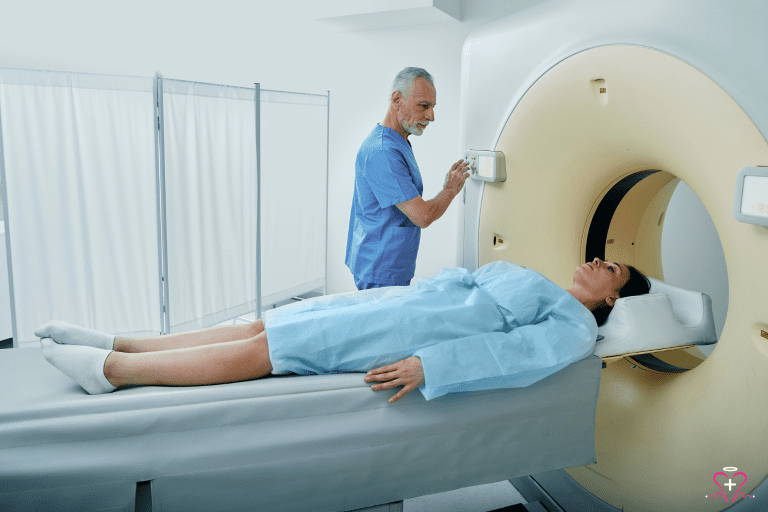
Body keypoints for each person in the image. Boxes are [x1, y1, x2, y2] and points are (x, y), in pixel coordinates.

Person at [37, 258, 649, 403]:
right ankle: (120, 340)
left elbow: (513, 354)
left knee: (268, 349)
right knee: (264, 321)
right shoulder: (540, 278)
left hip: (411, 333)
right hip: (396, 304)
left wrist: (432, 367)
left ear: (613, 297)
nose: (597, 261)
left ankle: (114, 373)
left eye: (611, 267)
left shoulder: (575, 329)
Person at [345, 67, 470, 290]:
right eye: (424, 106)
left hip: (391, 263)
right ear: (396, 99)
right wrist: (450, 189)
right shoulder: (383, 151)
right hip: (380, 267)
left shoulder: (397, 141)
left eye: (432, 107)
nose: (431, 116)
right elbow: (422, 216)